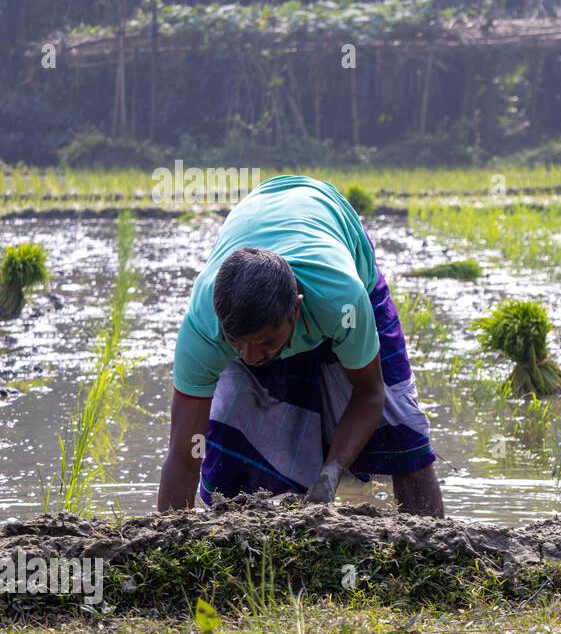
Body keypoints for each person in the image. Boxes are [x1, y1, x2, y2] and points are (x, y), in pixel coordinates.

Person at [157, 174, 444, 516]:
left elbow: (369, 394)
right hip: (258, 225)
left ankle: (435, 545)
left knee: (401, 430)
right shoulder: (203, 326)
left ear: (296, 307)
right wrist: (168, 536)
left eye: (264, 342)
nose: (250, 357)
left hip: (329, 226)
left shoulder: (343, 299)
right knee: (230, 443)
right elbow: (185, 453)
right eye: (237, 343)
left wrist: (330, 474)